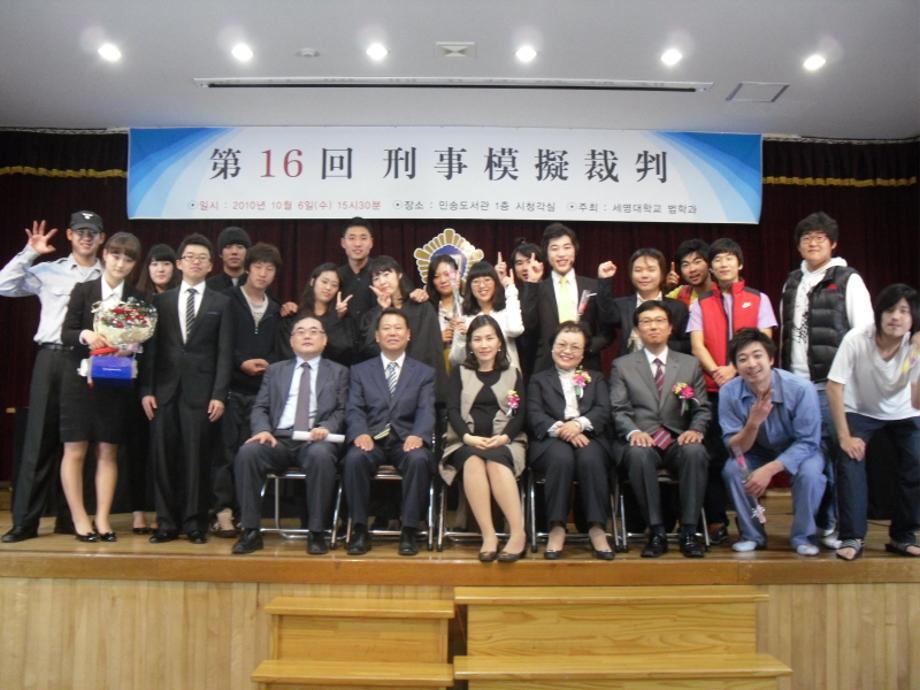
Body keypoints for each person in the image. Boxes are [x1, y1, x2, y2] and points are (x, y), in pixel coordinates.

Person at [1, 212, 104, 543]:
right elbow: (4, 285)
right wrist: (30, 252)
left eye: (93, 232)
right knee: (40, 440)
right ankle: (25, 522)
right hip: (52, 358)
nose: (86, 237)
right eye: (80, 231)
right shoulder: (50, 270)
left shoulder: (108, 275)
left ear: (101, 238)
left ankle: (71, 518)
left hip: (91, 362)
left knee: (80, 441)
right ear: (70, 236)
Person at [779, 211, 873, 548]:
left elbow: (864, 332)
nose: (813, 243)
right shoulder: (792, 281)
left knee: (839, 456)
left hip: (832, 385)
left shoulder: (848, 279)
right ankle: (817, 523)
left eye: (820, 237)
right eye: (806, 238)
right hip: (796, 386)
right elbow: (786, 333)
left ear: (833, 243)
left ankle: (839, 526)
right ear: (798, 246)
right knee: (808, 457)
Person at [141, 233, 233, 545]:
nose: (196, 262)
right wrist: (146, 390)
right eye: (190, 257)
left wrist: (219, 394)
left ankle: (195, 523)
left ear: (210, 266)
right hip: (163, 391)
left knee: (197, 458)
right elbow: (151, 350)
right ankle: (167, 523)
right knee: (163, 457)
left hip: (202, 393)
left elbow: (224, 353)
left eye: (202, 258)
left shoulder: (222, 302)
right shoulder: (160, 301)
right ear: (179, 263)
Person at [231, 314, 349, 555]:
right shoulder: (275, 370)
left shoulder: (339, 372)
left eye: (314, 331)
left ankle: (317, 532)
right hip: (279, 439)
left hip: (315, 439)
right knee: (248, 452)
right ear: (292, 341)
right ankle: (250, 530)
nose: (307, 336)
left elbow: (342, 410)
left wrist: (326, 427)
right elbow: (260, 407)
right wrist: (263, 430)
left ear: (324, 340)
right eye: (301, 331)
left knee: (321, 455)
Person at [687, 237, 778, 544]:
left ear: (739, 264)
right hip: (712, 390)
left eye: (729, 258)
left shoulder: (758, 298)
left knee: (746, 458)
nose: (723, 264)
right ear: (710, 268)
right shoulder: (700, 302)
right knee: (713, 457)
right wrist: (718, 371)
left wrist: (735, 369)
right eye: (717, 259)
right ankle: (716, 521)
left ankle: (753, 520)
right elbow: (697, 345)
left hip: (751, 389)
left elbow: (764, 341)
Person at [59, 232, 145, 542]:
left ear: (134, 264)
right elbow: (66, 333)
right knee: (75, 449)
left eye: (128, 259)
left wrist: (129, 345)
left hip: (115, 382)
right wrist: (86, 335)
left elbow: (145, 342)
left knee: (108, 450)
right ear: (105, 254)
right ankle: (80, 518)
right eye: (116, 256)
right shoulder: (84, 291)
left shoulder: (138, 298)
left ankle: (104, 519)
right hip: (80, 382)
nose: (120, 264)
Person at [609, 301, 711, 558]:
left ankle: (689, 531)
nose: (653, 326)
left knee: (696, 452)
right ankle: (656, 532)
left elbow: (702, 408)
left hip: (678, 439)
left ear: (670, 327)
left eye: (659, 321)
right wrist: (633, 432)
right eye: (646, 322)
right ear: (637, 330)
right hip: (642, 437)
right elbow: (618, 409)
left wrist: (695, 430)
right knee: (638, 454)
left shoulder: (689, 364)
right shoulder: (622, 365)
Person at [826, 284, 920, 561]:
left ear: (913, 318)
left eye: (904, 311)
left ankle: (903, 535)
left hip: (904, 411)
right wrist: (845, 437)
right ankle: (852, 535)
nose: (896, 317)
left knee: (917, 459)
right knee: (849, 459)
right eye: (890, 310)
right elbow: (834, 386)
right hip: (860, 408)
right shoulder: (857, 338)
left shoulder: (913, 345)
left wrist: (917, 355)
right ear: (879, 313)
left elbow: (917, 401)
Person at [719, 329, 826, 555]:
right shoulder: (729, 392)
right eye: (742, 359)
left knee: (811, 474)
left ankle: (803, 536)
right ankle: (752, 534)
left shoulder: (801, 389)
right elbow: (735, 447)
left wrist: (770, 469)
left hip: (799, 450)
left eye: (757, 356)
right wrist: (753, 423)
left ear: (770, 359)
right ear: (735, 366)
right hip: (754, 451)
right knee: (734, 469)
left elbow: (808, 441)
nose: (751, 364)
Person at [342, 308, 436, 556]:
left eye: (398, 328)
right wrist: (360, 432)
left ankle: (409, 530)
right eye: (386, 328)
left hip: (405, 440)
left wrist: (419, 434)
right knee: (354, 458)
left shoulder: (424, 372)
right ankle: (359, 529)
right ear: (377, 336)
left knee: (419, 459)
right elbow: (354, 408)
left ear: (408, 335)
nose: (392, 333)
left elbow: (426, 409)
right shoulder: (360, 371)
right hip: (371, 439)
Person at [442, 315, 528, 562]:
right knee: (472, 461)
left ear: (499, 342)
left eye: (489, 338)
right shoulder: (460, 372)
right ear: (469, 344)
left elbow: (520, 414)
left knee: (495, 461)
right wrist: (468, 438)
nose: (484, 344)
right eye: (477, 339)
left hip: (506, 441)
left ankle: (518, 534)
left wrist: (503, 438)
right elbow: (452, 411)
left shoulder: (513, 373)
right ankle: (488, 536)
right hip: (466, 441)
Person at [528, 321, 615, 559]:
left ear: (584, 352)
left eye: (575, 347)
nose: (567, 351)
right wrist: (563, 430)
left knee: (591, 459)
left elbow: (603, 410)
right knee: (561, 458)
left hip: (589, 436)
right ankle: (556, 526)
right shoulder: (538, 379)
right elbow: (534, 414)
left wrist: (578, 425)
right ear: (552, 347)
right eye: (562, 345)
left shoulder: (596, 378)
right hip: (551, 438)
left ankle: (596, 527)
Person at [216, 243, 284, 538]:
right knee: (224, 453)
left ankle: (247, 513)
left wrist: (268, 364)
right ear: (247, 268)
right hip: (230, 389)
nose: (263, 273)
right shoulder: (227, 300)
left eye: (269, 269)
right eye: (258, 267)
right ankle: (222, 511)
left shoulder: (276, 308)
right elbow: (220, 343)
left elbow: (280, 349)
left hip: (260, 394)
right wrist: (240, 362)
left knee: (251, 454)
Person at [128, 243, 180, 534]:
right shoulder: (136, 301)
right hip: (137, 383)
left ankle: (166, 512)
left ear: (176, 267)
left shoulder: (181, 299)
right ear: (147, 268)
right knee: (138, 449)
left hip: (171, 386)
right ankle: (138, 512)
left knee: (168, 453)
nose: (160, 269)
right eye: (155, 264)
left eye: (166, 263)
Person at [521, 222, 612, 373]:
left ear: (575, 250)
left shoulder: (592, 286)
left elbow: (608, 331)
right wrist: (532, 284)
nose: (561, 254)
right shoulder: (537, 288)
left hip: (586, 366)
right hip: (546, 368)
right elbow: (527, 328)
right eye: (554, 248)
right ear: (546, 253)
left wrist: (586, 347)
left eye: (567, 247)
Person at [358, 255, 447, 403]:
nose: (382, 281)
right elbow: (369, 349)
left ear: (399, 274)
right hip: (384, 394)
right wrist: (382, 310)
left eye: (386, 274)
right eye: (376, 278)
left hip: (421, 390)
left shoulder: (421, 307)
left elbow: (432, 352)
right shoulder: (372, 315)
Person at [597, 247, 690, 356]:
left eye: (651, 270)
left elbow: (688, 344)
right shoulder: (622, 305)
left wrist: (657, 345)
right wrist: (604, 280)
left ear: (662, 274)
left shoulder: (678, 307)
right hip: (630, 365)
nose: (644, 275)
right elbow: (607, 317)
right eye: (638, 270)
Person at [449, 259, 525, 373]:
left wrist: (510, 289)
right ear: (469, 287)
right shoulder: (465, 317)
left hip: (508, 376)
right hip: (475, 379)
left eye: (487, 280)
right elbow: (456, 360)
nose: (482, 285)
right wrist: (462, 337)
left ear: (496, 283)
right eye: (476, 281)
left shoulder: (506, 310)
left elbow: (515, 330)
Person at [278, 262, 358, 367]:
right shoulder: (294, 315)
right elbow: (285, 353)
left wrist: (337, 318)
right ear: (313, 281)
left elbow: (344, 351)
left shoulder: (344, 318)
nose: (328, 287)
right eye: (324, 282)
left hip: (331, 373)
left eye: (334, 285)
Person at [509, 239, 545, 378]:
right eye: (519, 263)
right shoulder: (512, 294)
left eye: (529, 261)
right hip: (521, 361)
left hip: (545, 360)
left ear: (540, 264)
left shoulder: (551, 290)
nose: (525, 268)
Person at [425, 254, 462, 371]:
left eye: (447, 274)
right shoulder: (427, 309)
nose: (443, 280)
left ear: (457, 274)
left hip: (466, 368)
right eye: (436, 276)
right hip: (436, 369)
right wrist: (437, 339)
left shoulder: (469, 305)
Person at [664, 238, 714, 306]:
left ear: (709, 263)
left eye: (697, 262)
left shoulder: (722, 293)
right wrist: (667, 288)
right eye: (685, 265)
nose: (692, 269)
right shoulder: (680, 293)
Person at [206, 226, 250, 291]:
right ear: (220, 253)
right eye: (228, 247)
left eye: (240, 247)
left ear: (248, 253)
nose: (234, 252)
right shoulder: (208, 287)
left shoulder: (256, 285)